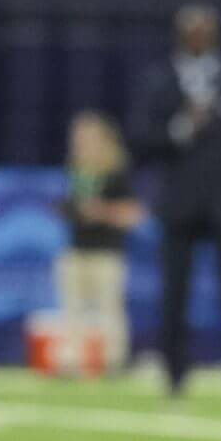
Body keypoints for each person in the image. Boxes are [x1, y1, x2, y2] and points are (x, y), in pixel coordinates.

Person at [130, 4, 221, 399]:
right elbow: (141, 141)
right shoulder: (158, 81)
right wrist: (182, 126)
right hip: (178, 201)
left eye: (205, 28)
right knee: (174, 292)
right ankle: (174, 374)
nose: (198, 36)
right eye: (192, 29)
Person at [57, 111, 142, 374]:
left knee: (109, 310)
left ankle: (113, 361)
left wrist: (101, 211)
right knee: (72, 310)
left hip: (106, 252)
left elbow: (133, 214)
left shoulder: (117, 171)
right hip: (76, 249)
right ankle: (71, 361)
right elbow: (68, 207)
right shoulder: (76, 169)